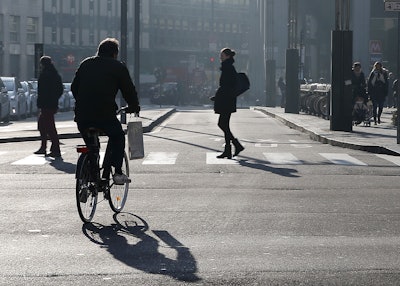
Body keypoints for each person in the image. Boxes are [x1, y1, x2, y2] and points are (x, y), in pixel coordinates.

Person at [71, 38, 140, 185]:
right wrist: (134, 106)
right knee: (118, 136)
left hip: (83, 116)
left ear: (99, 51)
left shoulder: (86, 63)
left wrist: (83, 103)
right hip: (104, 115)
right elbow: (129, 90)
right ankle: (117, 172)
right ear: (115, 54)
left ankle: (88, 175)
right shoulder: (118, 67)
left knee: (91, 147)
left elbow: (74, 88)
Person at [212, 47, 244, 159]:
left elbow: (227, 86)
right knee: (224, 124)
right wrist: (217, 96)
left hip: (226, 100)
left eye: (222, 55)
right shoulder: (228, 67)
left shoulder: (228, 67)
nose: (220, 57)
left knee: (222, 124)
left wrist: (219, 96)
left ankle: (235, 145)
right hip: (227, 99)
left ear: (228, 56)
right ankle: (229, 149)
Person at [34, 56, 64, 158]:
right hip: (50, 104)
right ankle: (45, 147)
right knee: (43, 125)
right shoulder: (55, 74)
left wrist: (46, 100)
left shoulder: (45, 75)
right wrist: (55, 98)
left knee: (48, 127)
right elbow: (60, 89)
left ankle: (55, 148)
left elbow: (42, 91)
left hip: (46, 104)